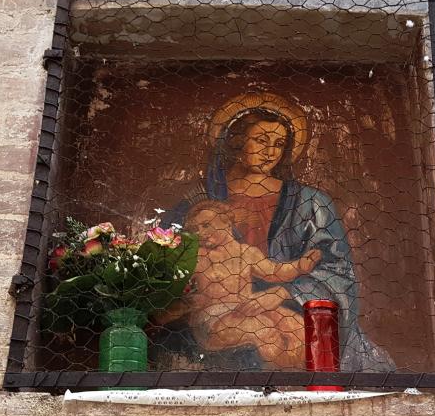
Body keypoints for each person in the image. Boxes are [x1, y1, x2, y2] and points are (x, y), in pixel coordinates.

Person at [166, 92, 394, 372]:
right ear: (235, 142)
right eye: (261, 140)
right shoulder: (197, 203)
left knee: (292, 338)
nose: (270, 152)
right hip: (215, 319)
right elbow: (166, 266)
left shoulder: (310, 203)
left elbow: (338, 272)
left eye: (279, 144)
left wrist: (284, 292)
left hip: (284, 311)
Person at [184, 200, 321, 366]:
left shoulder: (248, 253)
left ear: (226, 222)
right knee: (264, 329)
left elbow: (274, 271)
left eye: (206, 225)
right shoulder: (197, 256)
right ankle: (281, 374)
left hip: (244, 308)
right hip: (211, 318)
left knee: (297, 326)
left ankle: (295, 371)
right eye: (195, 229)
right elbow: (180, 286)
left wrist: (299, 266)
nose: (200, 233)